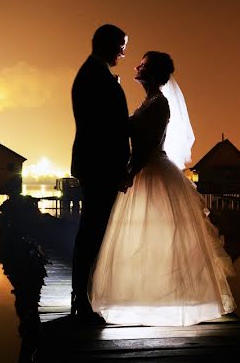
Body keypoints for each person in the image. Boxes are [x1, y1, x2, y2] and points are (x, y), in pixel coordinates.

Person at [90, 51, 236, 326]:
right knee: (143, 235)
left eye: (143, 65)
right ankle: (146, 297)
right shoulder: (150, 101)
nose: (137, 66)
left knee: (155, 234)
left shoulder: (158, 104)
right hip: (147, 169)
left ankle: (161, 298)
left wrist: (131, 172)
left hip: (151, 170)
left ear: (154, 73)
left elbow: (148, 144)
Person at [70, 24, 131, 324]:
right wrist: (120, 165)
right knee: (93, 231)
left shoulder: (93, 73)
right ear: (106, 44)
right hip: (99, 165)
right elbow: (105, 129)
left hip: (97, 164)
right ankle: (82, 300)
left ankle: (83, 296)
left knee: (93, 231)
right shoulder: (93, 76)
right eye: (121, 45)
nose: (124, 51)